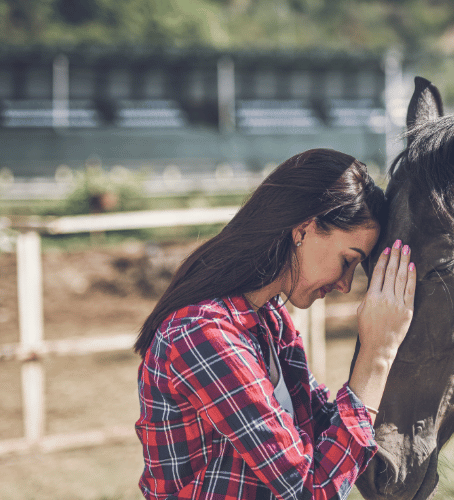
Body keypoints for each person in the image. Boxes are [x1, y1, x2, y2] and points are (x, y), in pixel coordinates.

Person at [133, 149, 416, 500]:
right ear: (304, 229)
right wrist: (377, 354)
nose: (345, 284)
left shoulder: (270, 322)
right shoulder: (203, 335)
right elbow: (311, 490)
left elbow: (318, 430)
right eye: (347, 260)